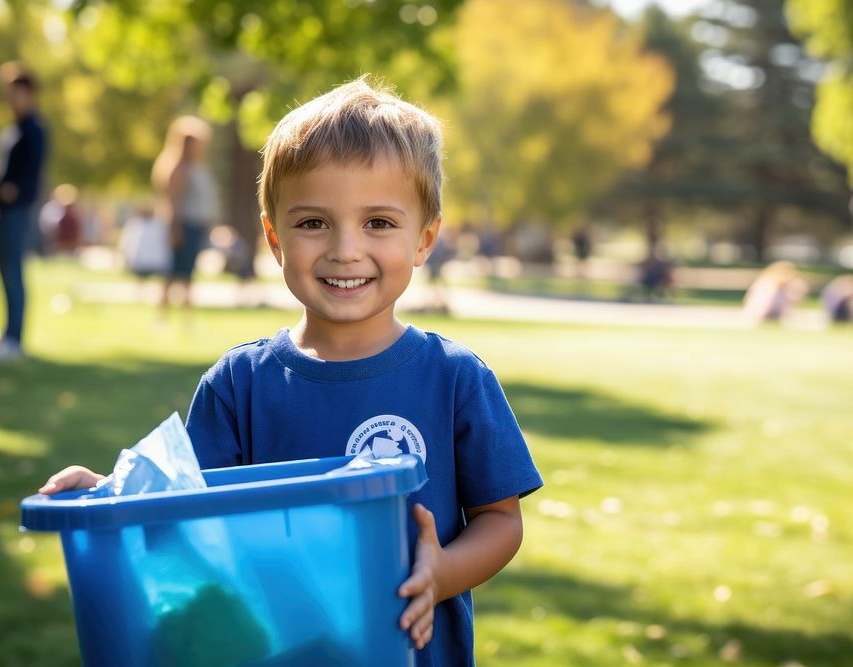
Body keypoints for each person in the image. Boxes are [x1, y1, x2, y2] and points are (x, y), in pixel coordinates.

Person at [38, 78, 542, 666]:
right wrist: (109, 496)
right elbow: (186, 511)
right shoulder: (238, 384)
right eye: (313, 223)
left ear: (424, 239)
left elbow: (501, 522)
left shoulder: (456, 378)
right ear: (274, 238)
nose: (345, 249)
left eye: (379, 222)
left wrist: (443, 573)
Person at [0, 61, 48, 360]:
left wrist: (13, 191)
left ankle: (15, 339)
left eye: (16, 91)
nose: (11, 98)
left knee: (13, 271)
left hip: (18, 210)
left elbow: (30, 174)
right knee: (4, 270)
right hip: (5, 210)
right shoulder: (15, 128)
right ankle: (7, 333)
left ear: (29, 92)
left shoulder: (33, 129)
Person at [151, 115, 221, 317]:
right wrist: (174, 229)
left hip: (196, 225)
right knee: (176, 273)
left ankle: (183, 315)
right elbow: (172, 201)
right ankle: (168, 314)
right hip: (184, 225)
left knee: (186, 273)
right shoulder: (178, 169)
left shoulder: (197, 167)